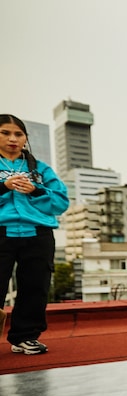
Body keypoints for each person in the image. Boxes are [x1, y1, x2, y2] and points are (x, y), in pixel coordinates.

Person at [0, 114, 70, 355]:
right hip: (2, 232)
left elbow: (61, 202)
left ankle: (25, 337)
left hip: (38, 234)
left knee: (35, 287)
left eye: (18, 134)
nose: (12, 138)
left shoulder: (40, 168)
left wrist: (35, 190)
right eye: (5, 133)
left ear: (25, 139)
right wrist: (3, 187)